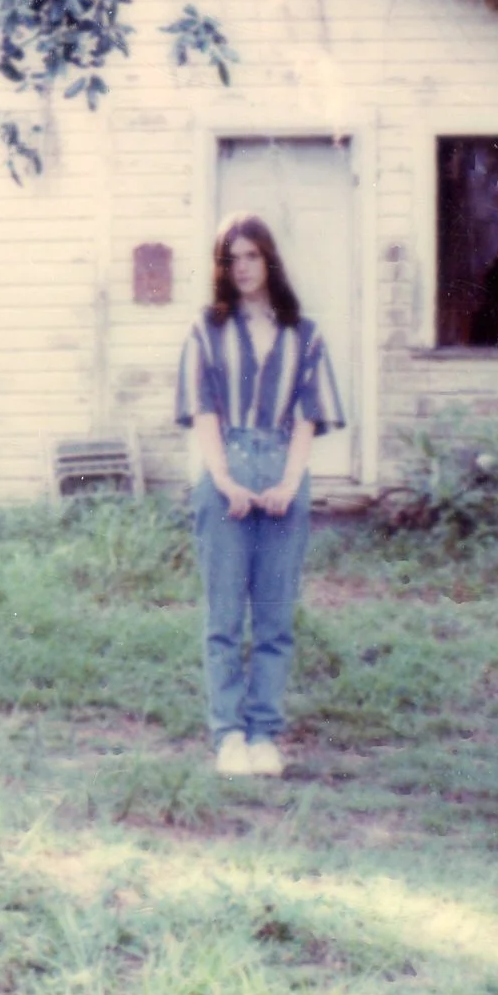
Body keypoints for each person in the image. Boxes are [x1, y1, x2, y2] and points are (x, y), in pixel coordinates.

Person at [174, 214, 346, 777]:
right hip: (225, 466)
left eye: (251, 255)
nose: (241, 267)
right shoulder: (207, 330)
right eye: (231, 259)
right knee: (224, 615)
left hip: (282, 469)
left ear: (269, 259)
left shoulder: (306, 334)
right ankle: (228, 734)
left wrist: (289, 483)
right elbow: (203, 409)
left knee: (273, 617)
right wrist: (223, 479)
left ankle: (265, 732)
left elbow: (308, 417)